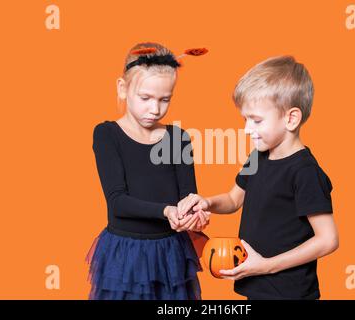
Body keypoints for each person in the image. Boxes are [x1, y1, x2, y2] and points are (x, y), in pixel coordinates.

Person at [178, 55, 339, 300]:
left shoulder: (304, 171)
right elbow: (233, 200)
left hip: (289, 294)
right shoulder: (258, 157)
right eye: (245, 119)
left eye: (256, 120)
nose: (246, 129)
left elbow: (328, 240)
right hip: (257, 288)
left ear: (291, 118)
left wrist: (267, 265)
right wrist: (207, 202)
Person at [85, 42, 210, 300]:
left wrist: (194, 214)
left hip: (171, 254)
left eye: (165, 99)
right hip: (126, 254)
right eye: (146, 98)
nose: (155, 109)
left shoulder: (179, 138)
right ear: (123, 88)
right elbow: (117, 201)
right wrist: (166, 211)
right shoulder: (107, 135)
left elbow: (188, 196)